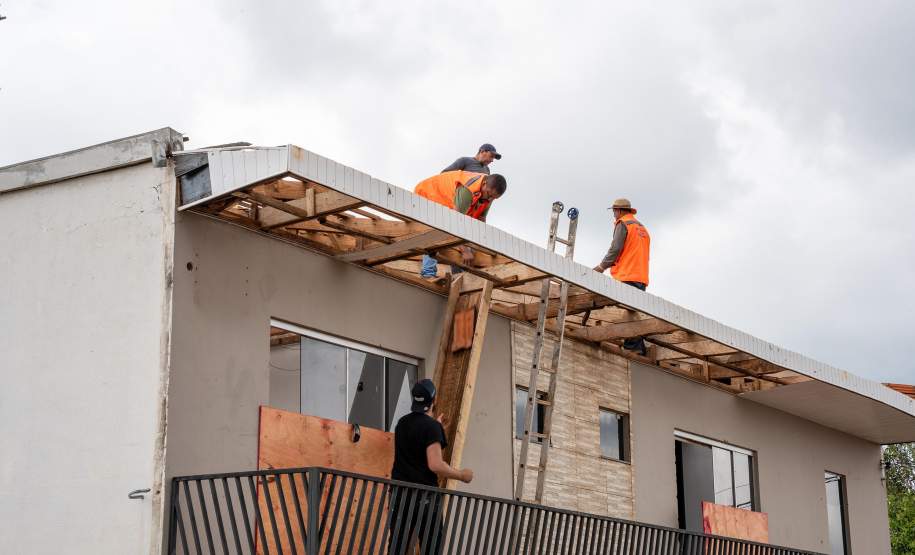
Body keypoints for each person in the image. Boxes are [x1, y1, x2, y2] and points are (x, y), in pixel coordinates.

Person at [388, 379, 473, 554]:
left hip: (400, 495)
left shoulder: (402, 423)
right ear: (434, 401)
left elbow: (415, 443)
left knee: (397, 545)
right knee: (431, 546)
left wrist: (437, 428)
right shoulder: (432, 427)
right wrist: (462, 475)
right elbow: (435, 464)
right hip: (424, 498)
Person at [414, 171, 507, 278]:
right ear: (484, 184)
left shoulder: (488, 193)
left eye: (494, 198)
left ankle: (458, 276)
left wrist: (479, 243)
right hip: (427, 197)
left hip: (449, 208)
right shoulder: (467, 191)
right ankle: (428, 273)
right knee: (436, 233)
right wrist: (465, 251)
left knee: (467, 243)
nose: (490, 199)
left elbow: (480, 220)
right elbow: (454, 223)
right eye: (489, 195)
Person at [593, 198, 651, 355]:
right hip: (640, 276)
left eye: (613, 211)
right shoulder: (642, 228)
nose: (613, 215)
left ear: (618, 210)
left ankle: (633, 348)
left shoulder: (623, 224)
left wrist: (601, 267)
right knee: (633, 311)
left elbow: (615, 249)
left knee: (626, 312)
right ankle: (639, 346)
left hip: (627, 274)